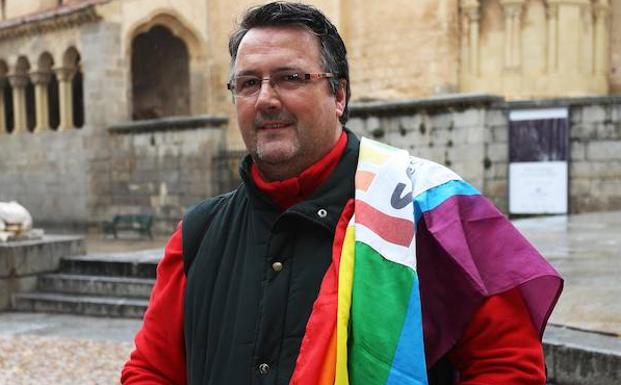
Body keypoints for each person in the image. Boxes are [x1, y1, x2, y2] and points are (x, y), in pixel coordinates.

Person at [121, 2, 563, 385]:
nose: (266, 99)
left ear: (339, 95)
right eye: (249, 83)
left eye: (290, 77)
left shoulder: (425, 212)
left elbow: (508, 365)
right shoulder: (198, 235)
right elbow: (151, 371)